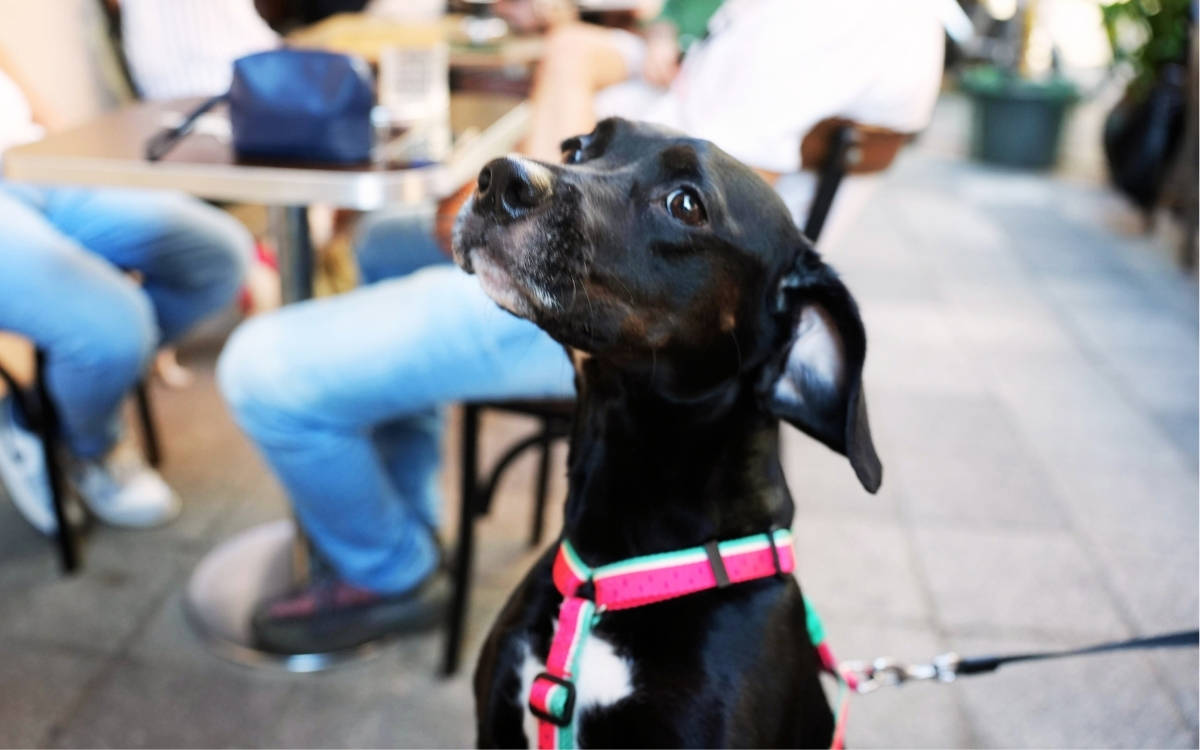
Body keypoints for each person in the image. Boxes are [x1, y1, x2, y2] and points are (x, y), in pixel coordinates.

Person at [218, 0, 947, 653]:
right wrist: (647, 43)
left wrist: (568, 64)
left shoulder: (842, 15)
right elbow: (668, 127)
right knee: (380, 243)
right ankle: (407, 509)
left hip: (626, 319)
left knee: (263, 371)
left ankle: (391, 570)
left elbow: (706, 204)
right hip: (608, 252)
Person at [0, 45, 252, 534]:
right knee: (114, 329)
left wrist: (56, 137)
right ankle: (87, 443)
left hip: (28, 159)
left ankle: (62, 395)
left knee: (219, 256)